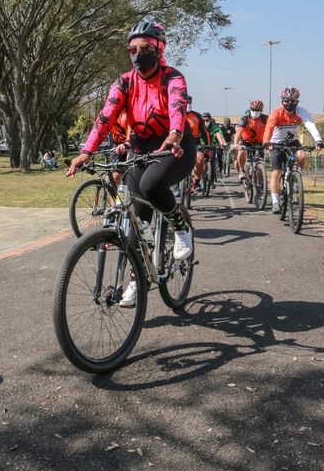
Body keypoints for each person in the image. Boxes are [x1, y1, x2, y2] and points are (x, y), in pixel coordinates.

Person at [67, 21, 196, 308]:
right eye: (133, 49)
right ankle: (138, 281)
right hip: (140, 147)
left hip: (175, 147)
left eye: (146, 48)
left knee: (151, 186)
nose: (139, 54)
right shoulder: (124, 81)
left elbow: (177, 106)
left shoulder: (173, 77)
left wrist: (175, 133)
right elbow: (105, 117)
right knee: (135, 220)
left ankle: (180, 228)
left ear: (159, 49)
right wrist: (86, 151)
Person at [262, 87, 324, 214]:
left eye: (293, 101)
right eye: (286, 101)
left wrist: (318, 140)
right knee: (277, 172)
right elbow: (269, 127)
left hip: (293, 142)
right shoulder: (276, 113)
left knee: (302, 156)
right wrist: (266, 142)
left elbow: (310, 124)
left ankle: (297, 177)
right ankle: (275, 201)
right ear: (282, 101)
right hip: (276, 143)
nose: (289, 103)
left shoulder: (302, 111)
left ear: (297, 101)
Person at [234, 99, 268, 181]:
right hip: (246, 142)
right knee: (242, 151)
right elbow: (239, 132)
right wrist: (236, 144)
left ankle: (260, 184)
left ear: (261, 110)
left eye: (257, 110)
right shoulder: (245, 119)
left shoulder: (265, 119)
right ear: (250, 109)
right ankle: (242, 170)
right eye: (253, 109)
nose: (255, 112)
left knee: (260, 164)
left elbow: (272, 130)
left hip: (259, 143)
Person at [183, 96, 210, 191]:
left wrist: (207, 147)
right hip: (178, 142)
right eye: (185, 102)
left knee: (200, 158)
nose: (187, 105)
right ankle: (175, 184)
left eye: (189, 103)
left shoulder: (197, 116)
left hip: (194, 142)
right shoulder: (175, 114)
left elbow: (204, 132)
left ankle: (197, 182)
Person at [201, 112, 228, 188]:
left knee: (211, 163)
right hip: (201, 146)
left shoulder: (213, 126)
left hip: (211, 146)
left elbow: (218, 134)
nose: (206, 121)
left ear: (210, 119)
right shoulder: (200, 126)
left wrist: (222, 143)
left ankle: (211, 182)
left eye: (207, 120)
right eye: (204, 120)